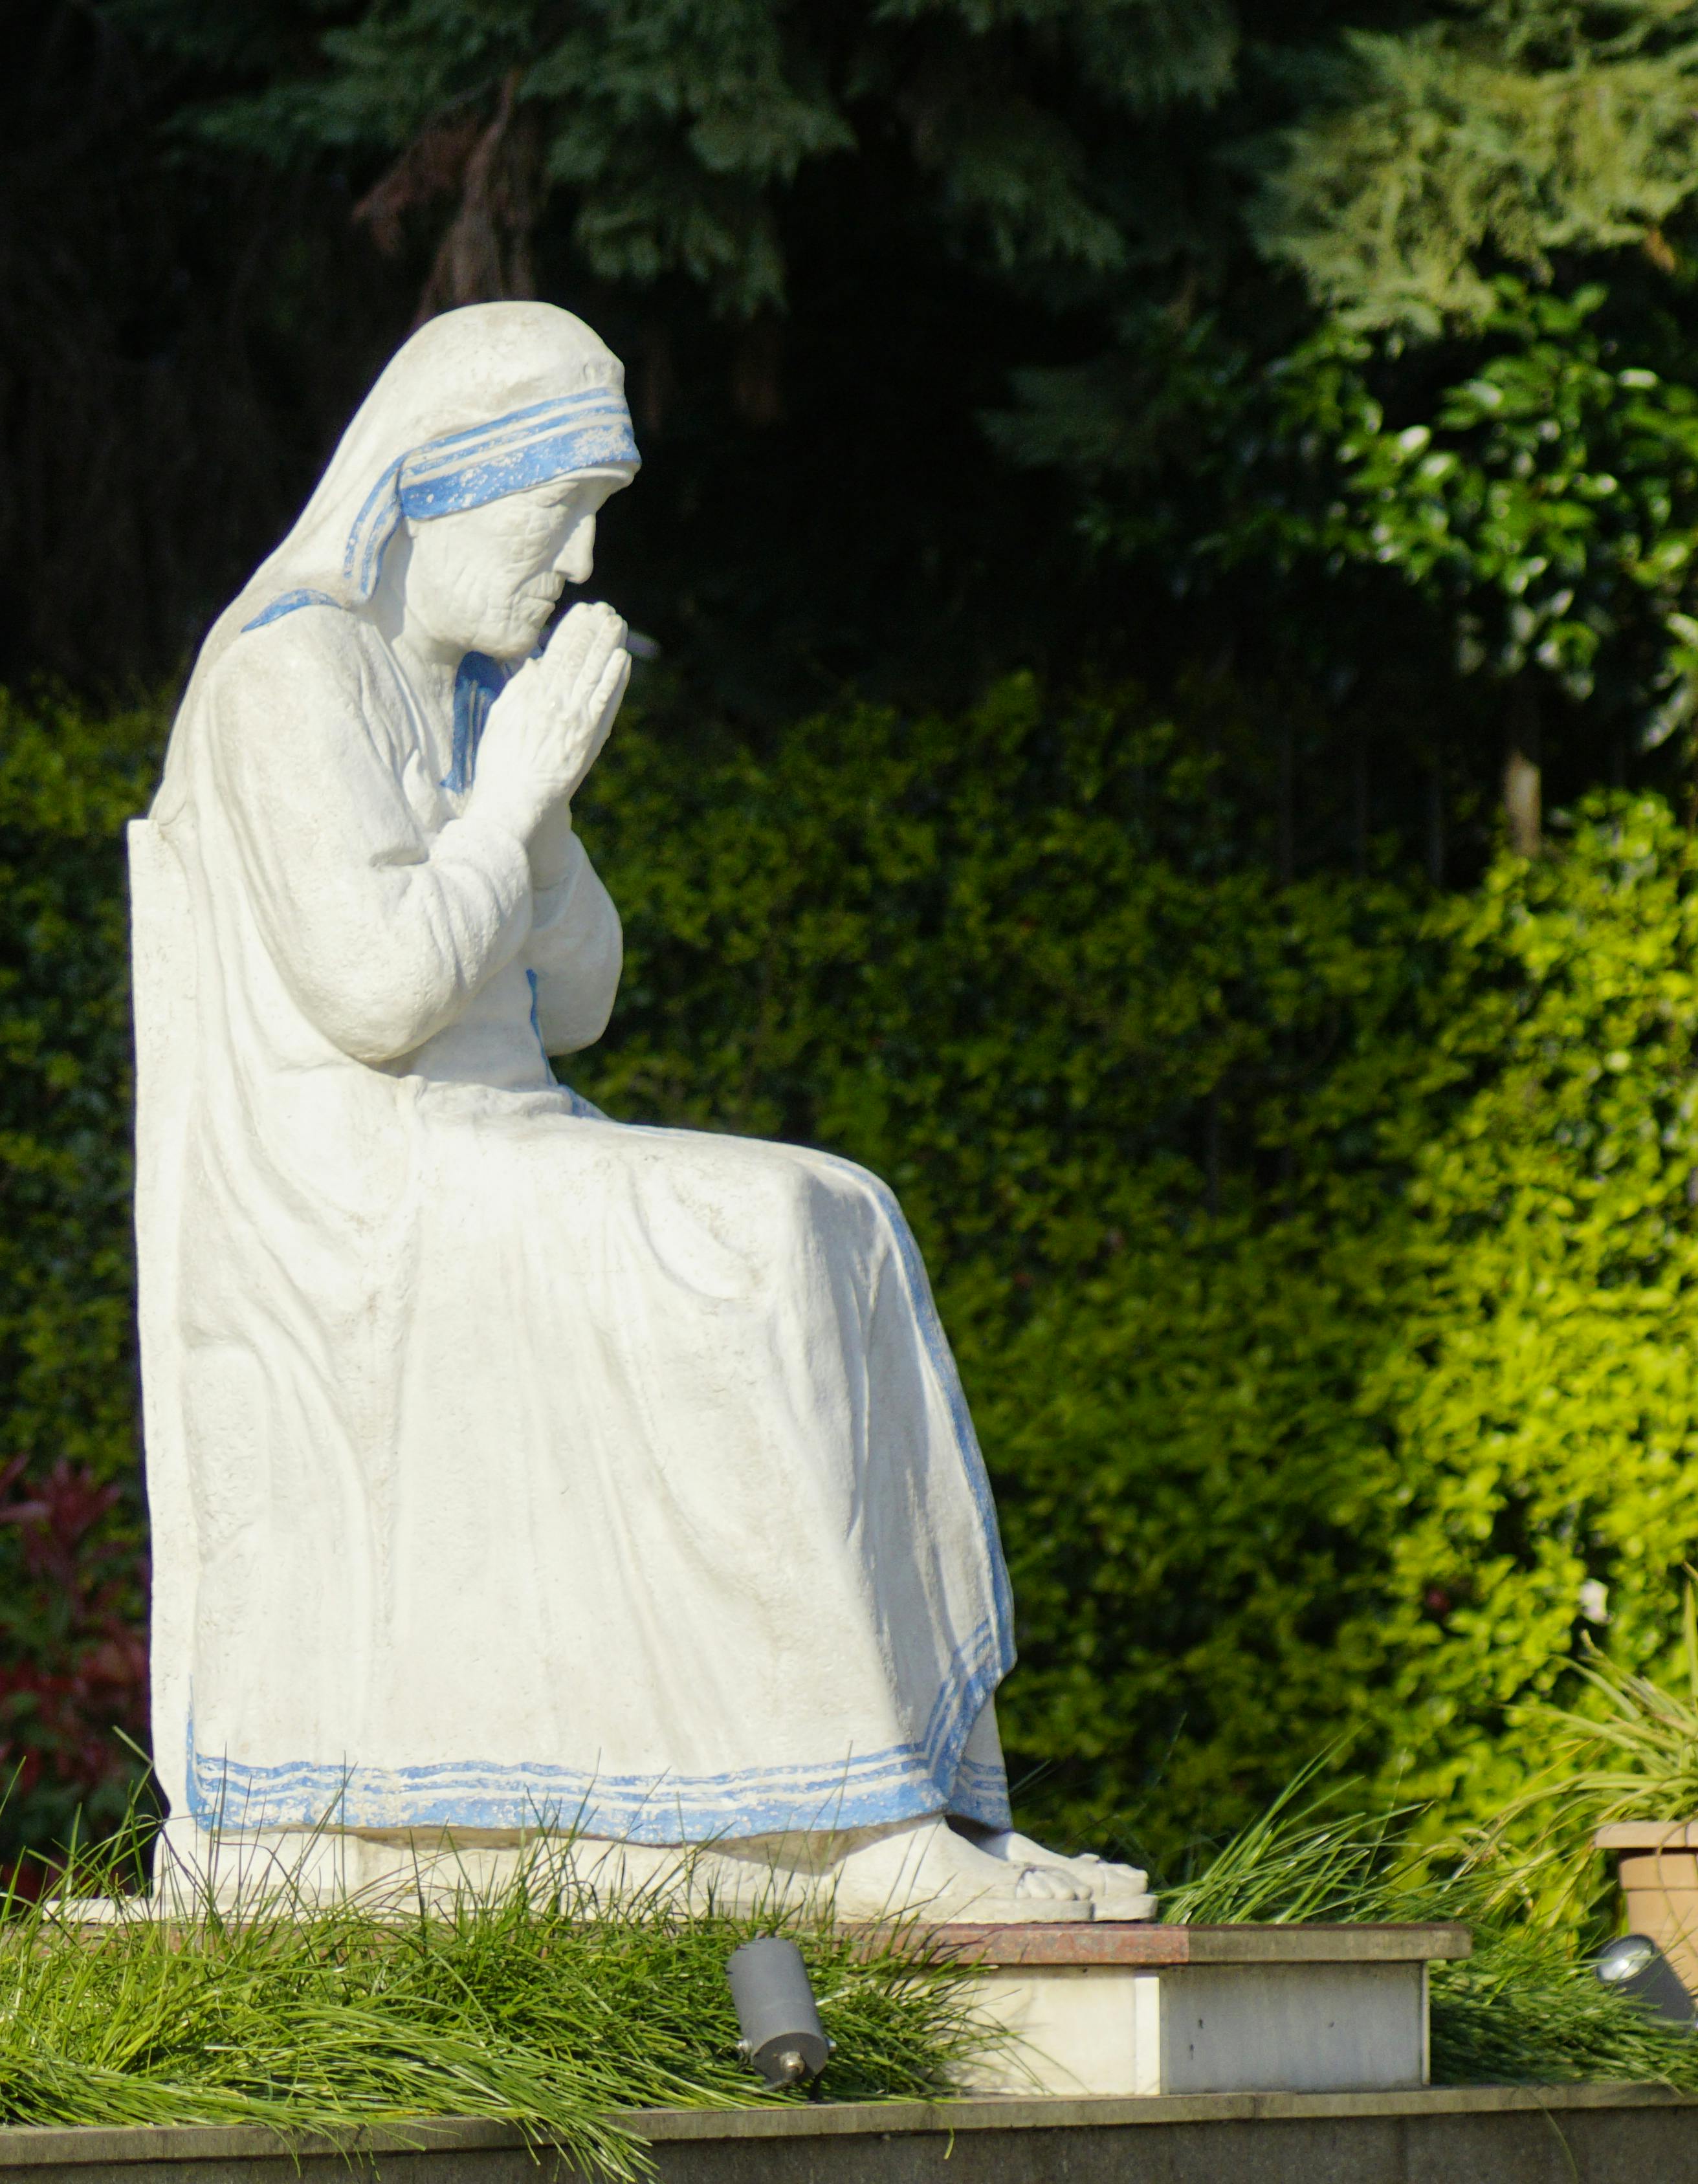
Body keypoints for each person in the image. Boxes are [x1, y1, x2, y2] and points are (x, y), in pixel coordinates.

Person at [127, 302, 1147, 1921]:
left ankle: (903, 1797)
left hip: (501, 1138)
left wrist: (533, 802)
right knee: (730, 1243)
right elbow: (379, 994)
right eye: (561, 514)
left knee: (840, 1207)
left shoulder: (464, 693)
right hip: (353, 1189)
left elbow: (579, 995)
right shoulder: (287, 676)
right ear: (433, 490)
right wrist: (513, 797)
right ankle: (836, 1831)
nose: (587, 562)